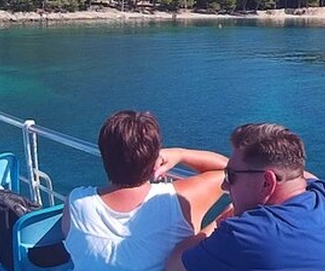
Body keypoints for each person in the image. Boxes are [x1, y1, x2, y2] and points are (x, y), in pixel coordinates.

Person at [166, 123, 325, 271]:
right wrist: (183, 154)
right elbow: (292, 172)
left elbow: (174, 265)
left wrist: (219, 222)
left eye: (231, 176)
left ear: (267, 183)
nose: (224, 185)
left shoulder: (247, 234)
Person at [62, 110, 227, 271]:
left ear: (104, 155)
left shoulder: (76, 202)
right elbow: (229, 169)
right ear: (155, 160)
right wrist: (180, 154)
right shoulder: (180, 201)